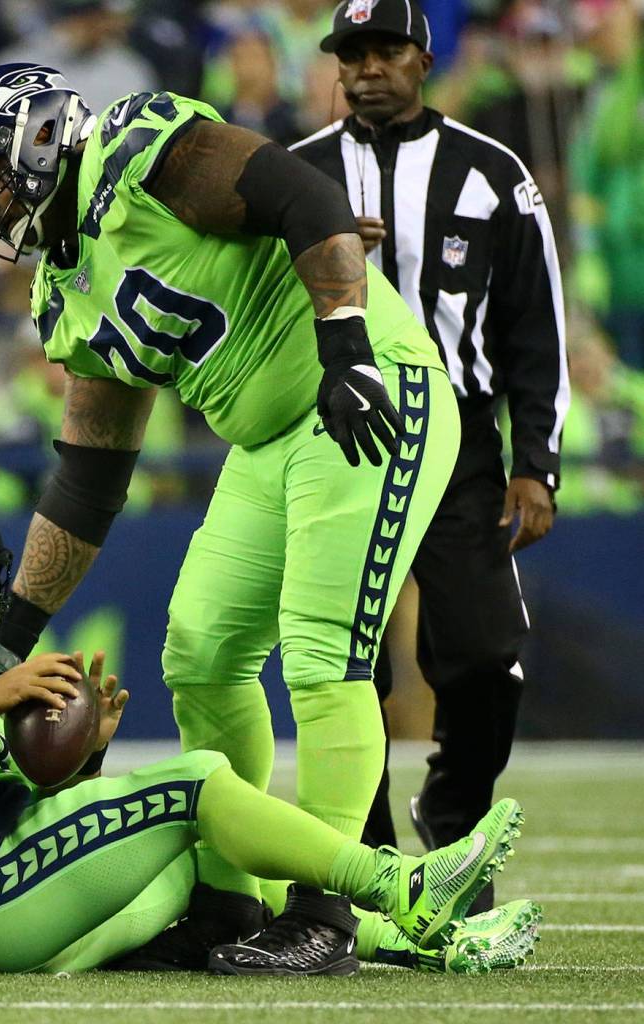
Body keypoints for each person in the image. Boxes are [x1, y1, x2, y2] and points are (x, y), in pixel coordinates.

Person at [0, 61, 467, 972]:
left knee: (320, 647)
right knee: (200, 653)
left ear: (38, 133)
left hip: (363, 391)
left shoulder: (138, 151)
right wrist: (12, 631)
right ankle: (230, 899)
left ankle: (326, 911)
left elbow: (306, 196)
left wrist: (346, 344)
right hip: (263, 444)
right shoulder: (63, 292)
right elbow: (90, 477)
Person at [0, 488, 541, 975]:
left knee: (224, 866)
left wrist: (87, 757)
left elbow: (22, 810)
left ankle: (430, 944)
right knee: (197, 779)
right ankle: (400, 883)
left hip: (13, 890)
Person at [290, 0, 569, 911]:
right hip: (334, 443)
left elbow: (537, 323)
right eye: (353, 53)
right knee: (343, 662)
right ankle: (366, 854)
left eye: (388, 50)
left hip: (456, 443)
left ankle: (449, 815)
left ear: (424, 56)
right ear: (334, 66)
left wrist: (538, 459)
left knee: (488, 655)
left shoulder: (493, 174)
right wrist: (318, 264)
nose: (368, 67)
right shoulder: (295, 177)